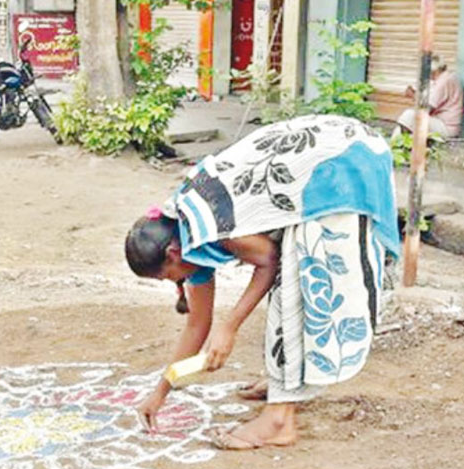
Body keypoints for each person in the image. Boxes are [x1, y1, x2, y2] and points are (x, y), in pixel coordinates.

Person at [127, 114, 400, 450]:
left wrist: (230, 326)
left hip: (340, 164)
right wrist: (160, 393)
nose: (175, 285)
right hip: (330, 155)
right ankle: (283, 383)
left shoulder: (212, 223)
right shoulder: (185, 237)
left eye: (168, 277)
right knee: (291, 277)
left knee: (297, 284)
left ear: (172, 253)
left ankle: (279, 420)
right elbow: (198, 325)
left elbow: (270, 260)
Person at [394, 54, 463, 139]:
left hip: (446, 127)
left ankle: (396, 146)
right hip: (444, 124)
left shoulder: (444, 81)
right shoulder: (448, 77)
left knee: (409, 115)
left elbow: (426, 108)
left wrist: (414, 96)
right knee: (403, 125)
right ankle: (396, 146)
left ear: (433, 71)